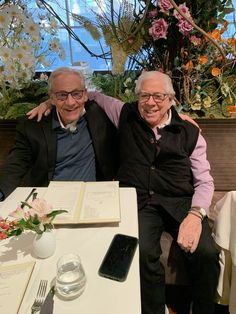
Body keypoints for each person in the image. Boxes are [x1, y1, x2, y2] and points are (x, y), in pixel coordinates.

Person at [28, 70, 220, 314]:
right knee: (142, 253)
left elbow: (205, 181)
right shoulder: (124, 113)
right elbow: (90, 95)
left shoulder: (189, 132)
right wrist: (48, 102)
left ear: (171, 99)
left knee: (206, 253)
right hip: (138, 203)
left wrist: (195, 215)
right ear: (137, 97)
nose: (151, 103)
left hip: (181, 202)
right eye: (145, 96)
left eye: (159, 96)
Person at [0, 67, 118, 200]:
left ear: (84, 95)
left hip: (91, 198)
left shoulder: (98, 114)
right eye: (62, 95)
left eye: (76, 94)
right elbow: (15, 164)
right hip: (49, 201)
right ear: (52, 98)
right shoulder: (33, 126)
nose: (70, 102)